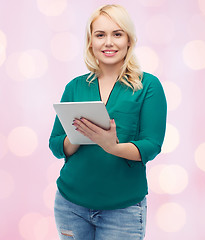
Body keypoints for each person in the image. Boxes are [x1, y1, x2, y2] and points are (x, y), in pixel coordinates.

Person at [49, 4, 167, 240]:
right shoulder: (76, 86)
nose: (108, 42)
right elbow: (55, 144)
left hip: (122, 211)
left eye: (117, 34)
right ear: (90, 42)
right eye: (100, 35)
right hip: (70, 205)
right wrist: (76, 137)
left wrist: (111, 146)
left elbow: (152, 145)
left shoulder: (148, 86)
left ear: (129, 41)